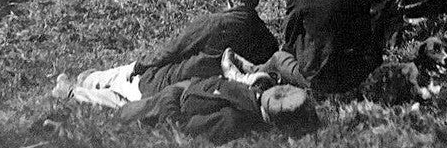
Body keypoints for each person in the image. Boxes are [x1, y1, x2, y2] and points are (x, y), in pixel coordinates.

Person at [63, 0, 278, 109]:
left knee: (121, 88)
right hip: (209, 91)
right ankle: (88, 79)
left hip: (168, 83)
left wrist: (138, 65)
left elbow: (171, 50)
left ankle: (73, 90)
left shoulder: (213, 23)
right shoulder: (267, 39)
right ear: (257, 0)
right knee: (114, 81)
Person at [114, 74, 317, 144]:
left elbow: (181, 126)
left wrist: (174, 91)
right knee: (110, 88)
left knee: (109, 89)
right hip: (169, 96)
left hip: (165, 99)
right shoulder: (242, 112)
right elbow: (183, 126)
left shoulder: (240, 111)